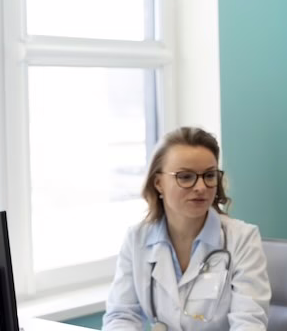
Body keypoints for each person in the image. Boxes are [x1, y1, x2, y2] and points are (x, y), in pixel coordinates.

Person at [103, 127, 270, 331]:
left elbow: (249, 323)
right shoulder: (136, 238)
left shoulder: (242, 239)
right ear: (158, 183)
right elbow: (121, 315)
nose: (201, 187)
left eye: (209, 175)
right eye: (185, 176)